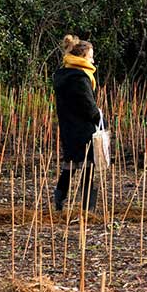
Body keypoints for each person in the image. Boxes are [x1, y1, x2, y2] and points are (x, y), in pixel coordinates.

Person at [52, 35, 102, 212]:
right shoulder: (80, 78)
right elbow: (87, 104)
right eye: (90, 56)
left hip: (68, 126)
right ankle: (89, 207)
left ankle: (59, 197)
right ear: (82, 58)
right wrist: (99, 119)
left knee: (70, 164)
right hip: (83, 128)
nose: (93, 60)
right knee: (89, 165)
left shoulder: (63, 75)